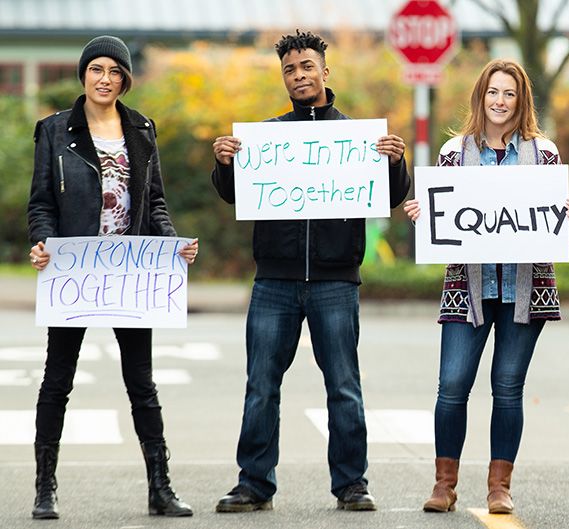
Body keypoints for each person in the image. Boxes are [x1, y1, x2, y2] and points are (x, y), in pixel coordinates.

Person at [209, 30, 410, 513]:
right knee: (261, 383)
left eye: (306, 67)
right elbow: (234, 194)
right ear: (284, 78)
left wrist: (395, 164)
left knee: (343, 384)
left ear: (325, 71)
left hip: (335, 279)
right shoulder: (266, 137)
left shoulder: (358, 137)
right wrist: (226, 165)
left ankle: (351, 484)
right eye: (290, 70)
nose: (298, 76)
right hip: (274, 279)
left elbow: (389, 195)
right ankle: (254, 483)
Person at [26, 35, 198, 519]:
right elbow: (41, 203)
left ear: (125, 79)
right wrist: (43, 243)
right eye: (96, 69)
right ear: (84, 75)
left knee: (141, 381)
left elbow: (156, 203)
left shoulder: (142, 129)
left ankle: (160, 487)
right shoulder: (55, 130)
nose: (105, 79)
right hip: (74, 272)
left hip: (130, 274)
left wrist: (172, 243)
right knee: (56, 380)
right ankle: (45, 488)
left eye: (115, 71)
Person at [403, 59, 569, 515]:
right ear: (479, 98)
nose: (500, 102)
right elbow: (447, 223)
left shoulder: (544, 153)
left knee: (508, 387)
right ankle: (445, 483)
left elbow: (554, 231)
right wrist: (427, 219)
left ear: (522, 102)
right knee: (452, 385)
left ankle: (499, 487)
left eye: (510, 94)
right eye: (493, 93)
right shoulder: (452, 153)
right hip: (469, 287)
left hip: (526, 287)